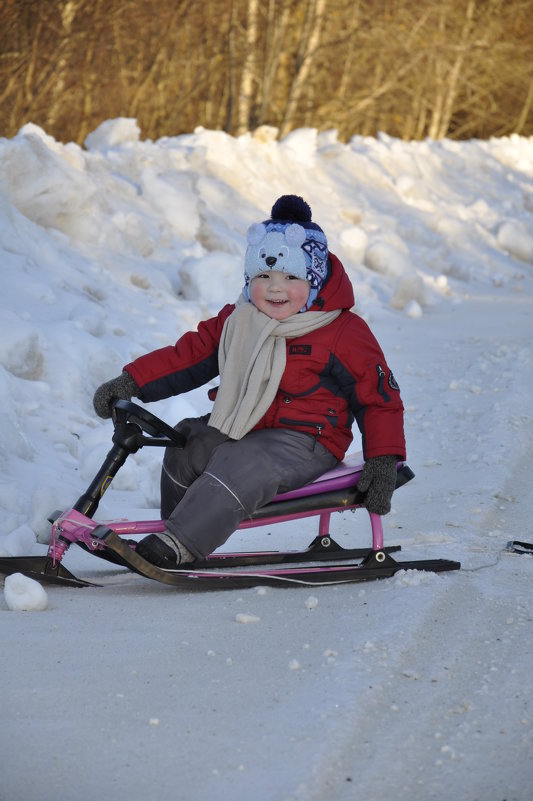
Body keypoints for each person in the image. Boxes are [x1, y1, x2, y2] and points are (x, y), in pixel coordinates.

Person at [93, 195, 406, 568]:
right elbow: (189, 355)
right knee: (188, 442)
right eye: (264, 276)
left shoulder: (342, 331)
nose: (276, 289)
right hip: (245, 425)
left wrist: (383, 460)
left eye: (291, 278)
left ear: (315, 280)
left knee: (243, 462)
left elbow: (378, 397)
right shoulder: (239, 320)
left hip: (310, 439)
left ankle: (181, 541)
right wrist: (131, 381)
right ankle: (171, 533)